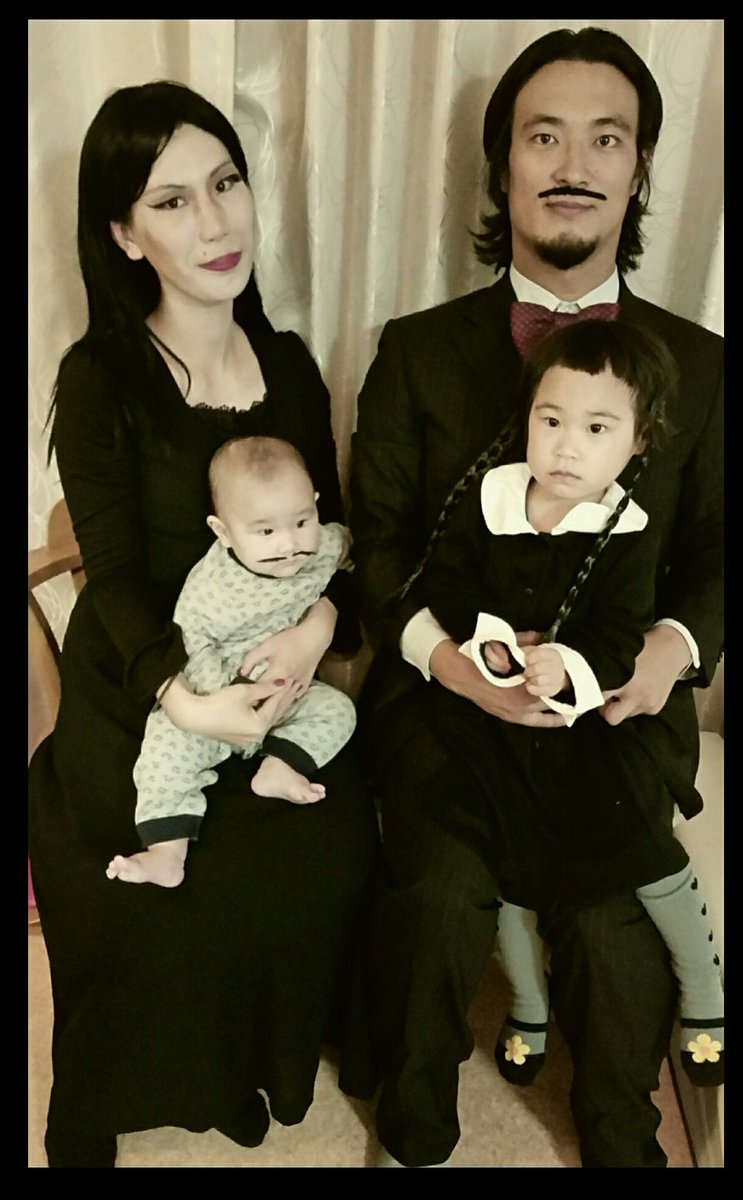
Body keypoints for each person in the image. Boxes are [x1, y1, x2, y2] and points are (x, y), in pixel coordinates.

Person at [349, 26, 723, 1168]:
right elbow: (378, 545)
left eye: (605, 138)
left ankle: (622, 1137)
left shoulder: (705, 366)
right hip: (448, 701)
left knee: (612, 925)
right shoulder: (414, 351)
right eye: (541, 135)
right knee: (435, 895)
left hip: (612, 704)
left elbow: (718, 553)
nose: (571, 163)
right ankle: (413, 1132)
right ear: (500, 164)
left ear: (638, 168)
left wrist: (668, 650)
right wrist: (444, 663)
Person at [27, 80, 379, 1168]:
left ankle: (248, 1067)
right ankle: (112, 1093)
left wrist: (318, 629)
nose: (216, 221)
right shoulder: (101, 377)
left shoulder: (289, 365)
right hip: (142, 691)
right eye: (172, 201)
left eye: (226, 183)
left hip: (274, 675)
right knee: (157, 883)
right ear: (125, 235)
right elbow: (116, 577)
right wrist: (186, 700)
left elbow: (336, 539)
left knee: (318, 850)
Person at [419, 319, 723, 1092]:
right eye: (550, 421)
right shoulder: (490, 497)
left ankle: (705, 989)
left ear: (636, 442)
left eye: (595, 429)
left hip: (585, 727)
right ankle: (527, 1004)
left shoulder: (626, 528)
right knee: (503, 858)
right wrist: (488, 644)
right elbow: (447, 582)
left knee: (634, 845)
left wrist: (570, 666)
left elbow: (620, 635)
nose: (565, 447)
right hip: (496, 721)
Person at [107, 435, 358, 888]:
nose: (290, 544)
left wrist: (325, 615)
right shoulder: (211, 585)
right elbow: (190, 642)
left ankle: (280, 766)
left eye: (302, 520)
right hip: (216, 697)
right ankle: (166, 852)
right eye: (266, 532)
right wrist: (218, 700)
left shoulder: (323, 545)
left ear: (316, 505)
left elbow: (350, 551)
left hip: (286, 690)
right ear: (223, 532)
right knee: (165, 755)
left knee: (339, 710)